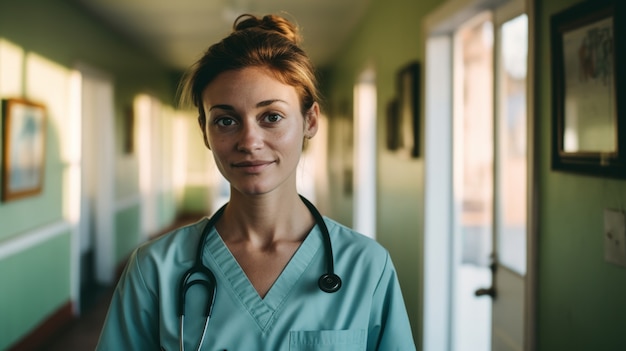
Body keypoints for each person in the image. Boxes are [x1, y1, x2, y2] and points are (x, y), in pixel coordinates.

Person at [96, 13, 416, 351]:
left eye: (272, 117)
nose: (249, 141)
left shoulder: (366, 266)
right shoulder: (155, 270)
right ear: (204, 130)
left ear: (310, 121)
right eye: (226, 120)